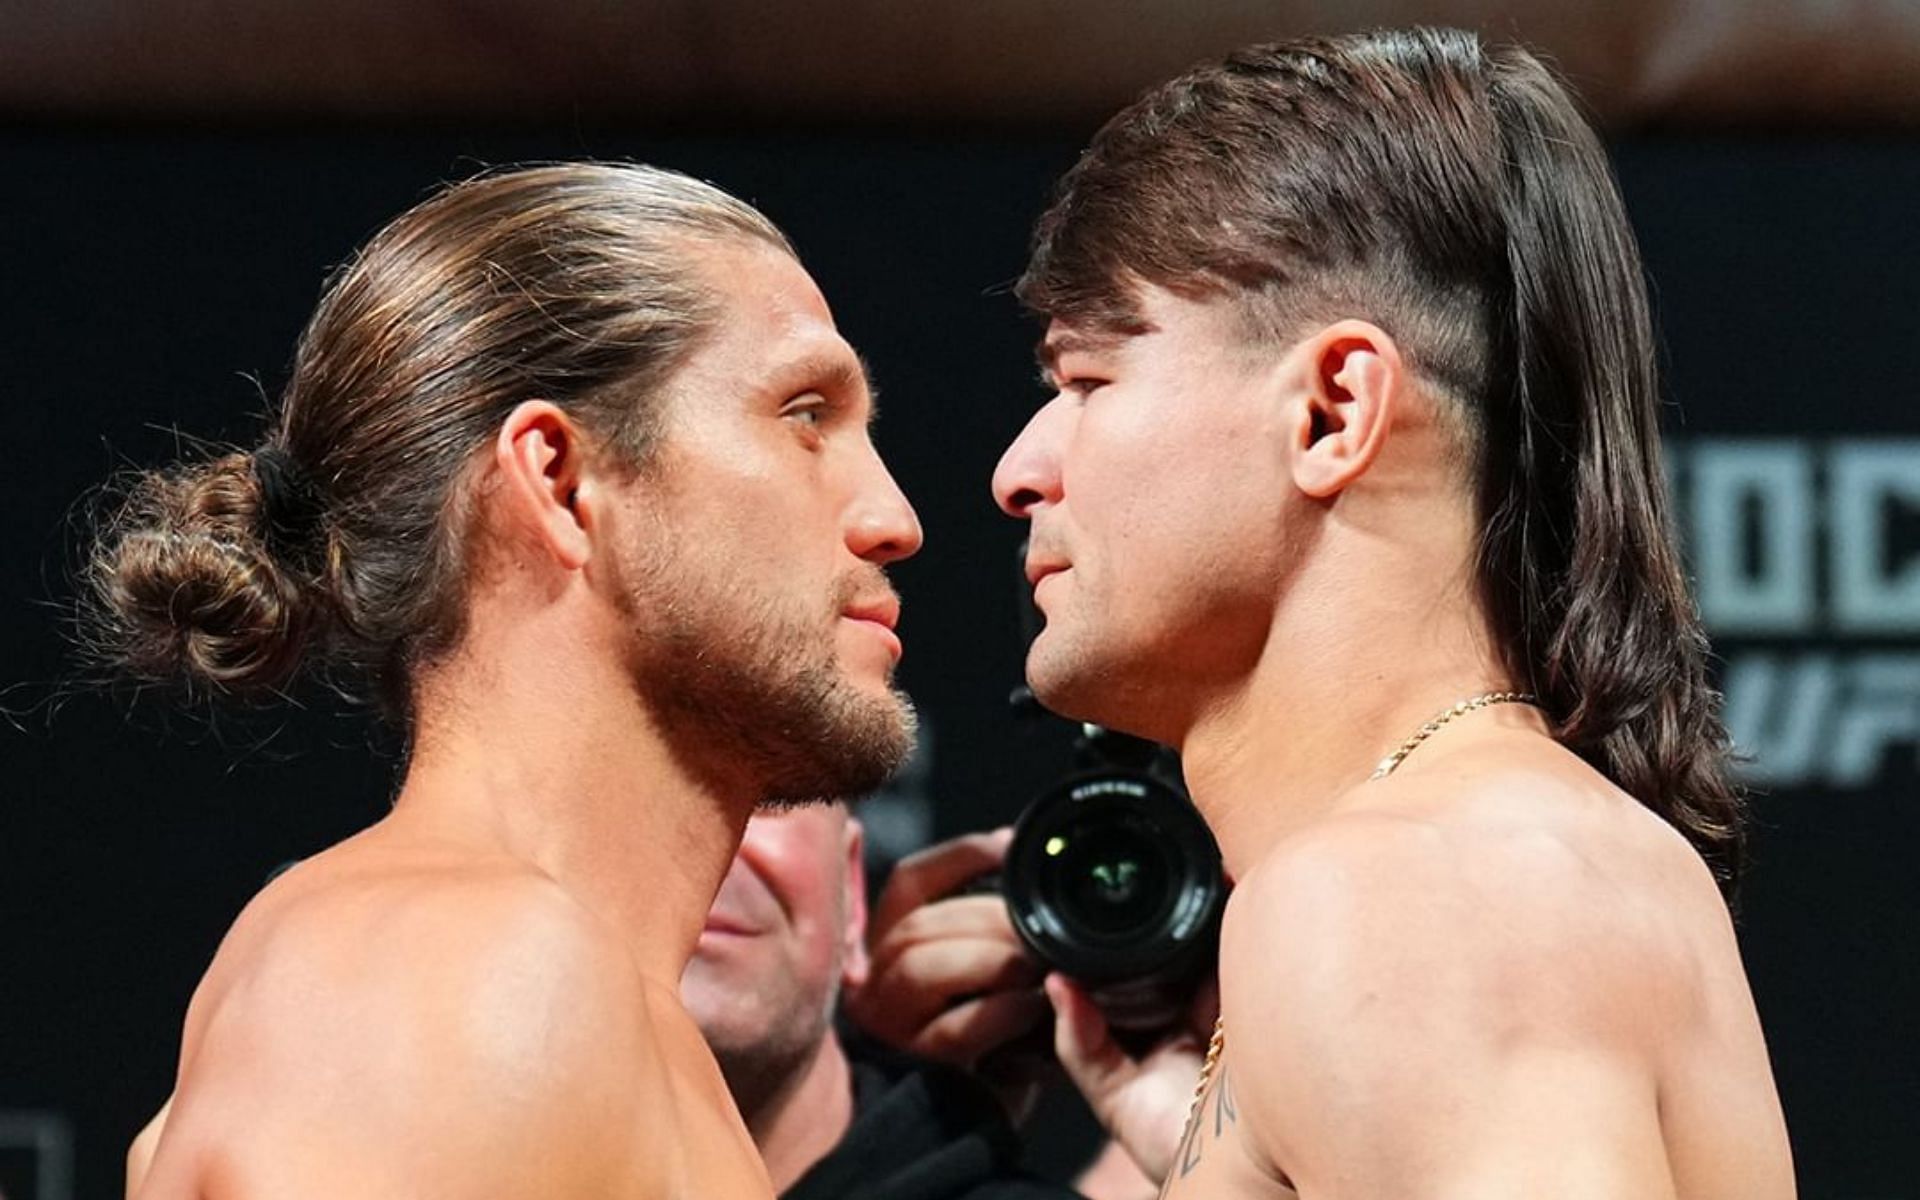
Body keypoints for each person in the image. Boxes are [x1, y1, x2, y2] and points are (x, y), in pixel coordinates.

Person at [990, 28, 1796, 1199]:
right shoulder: (1501, 856)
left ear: (1331, 411)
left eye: (1086, 381)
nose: (1020, 469)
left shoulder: (1409, 890)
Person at [100, 161, 921, 1199]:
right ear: (562, 483)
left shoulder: (548, 995)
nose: (893, 517)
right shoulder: (472, 978)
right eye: (805, 414)